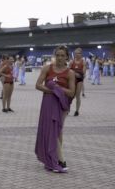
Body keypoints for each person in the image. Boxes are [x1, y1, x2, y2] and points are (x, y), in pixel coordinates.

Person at [35, 45, 75, 173]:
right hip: (48, 103)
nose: (59, 58)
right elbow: (38, 85)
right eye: (57, 55)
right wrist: (52, 90)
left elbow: (71, 92)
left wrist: (56, 88)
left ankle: (56, 156)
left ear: (67, 57)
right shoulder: (47, 68)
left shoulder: (70, 73)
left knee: (58, 130)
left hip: (62, 104)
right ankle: (59, 159)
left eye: (62, 55)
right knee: (51, 130)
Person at [69, 48, 86, 116]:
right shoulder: (72, 62)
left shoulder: (83, 62)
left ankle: (77, 110)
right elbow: (68, 70)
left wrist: (80, 75)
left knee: (77, 95)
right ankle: (67, 108)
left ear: (81, 54)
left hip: (79, 80)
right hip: (72, 79)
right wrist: (74, 74)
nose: (77, 55)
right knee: (70, 95)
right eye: (76, 53)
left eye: (78, 53)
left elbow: (83, 72)